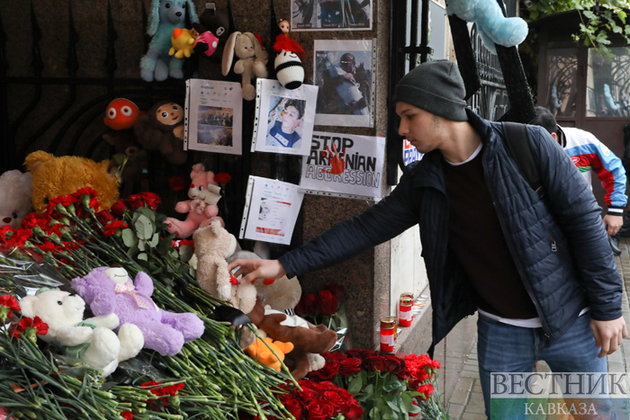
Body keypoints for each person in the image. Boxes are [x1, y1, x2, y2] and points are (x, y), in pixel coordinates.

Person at [230, 61, 626, 418]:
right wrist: (282, 264)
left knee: (596, 415)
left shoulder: (526, 144)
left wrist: (608, 308)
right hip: (502, 333)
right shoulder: (426, 180)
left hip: (572, 321)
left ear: (442, 111)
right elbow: (366, 227)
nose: (402, 129)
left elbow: (585, 224)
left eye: (409, 116)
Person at [530, 106, 628, 255]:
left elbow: (613, 169)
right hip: (538, 220)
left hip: (581, 216)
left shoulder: (583, 141)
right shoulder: (517, 144)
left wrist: (615, 210)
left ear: (552, 137)